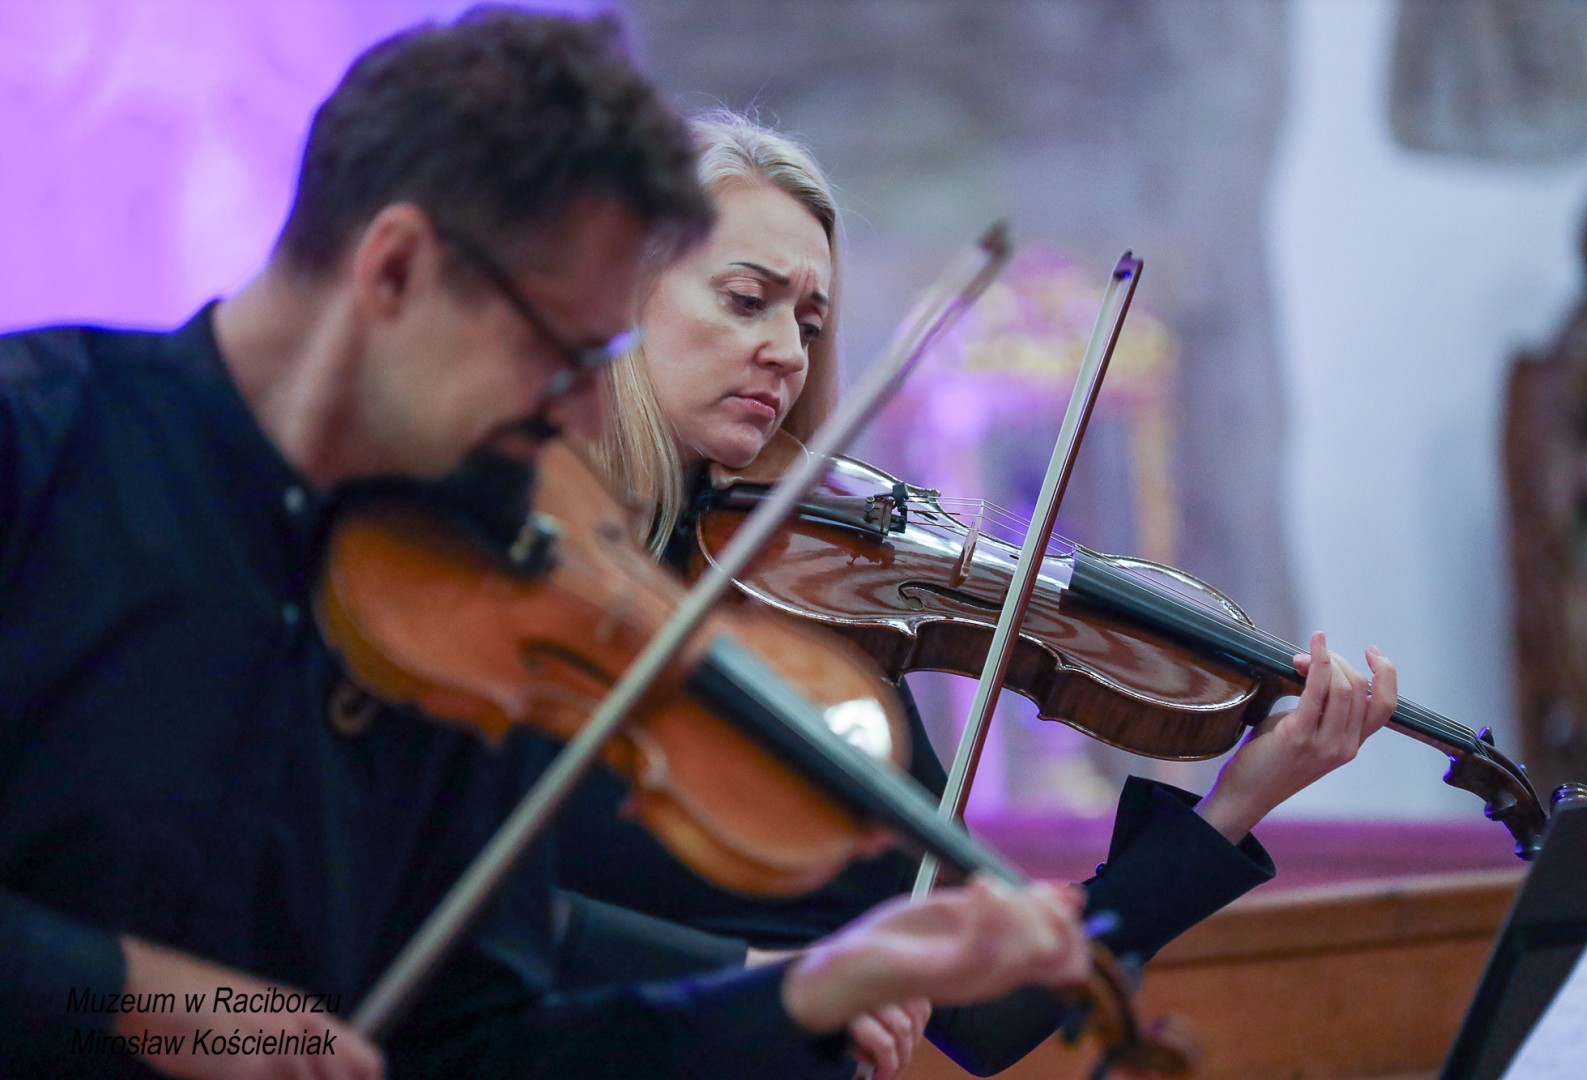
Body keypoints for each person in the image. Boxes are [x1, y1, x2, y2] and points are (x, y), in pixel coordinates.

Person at [0, 12, 1099, 1080]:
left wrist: (799, 997)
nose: (583, 420)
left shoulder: (463, 612)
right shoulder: (34, 446)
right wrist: (123, 992)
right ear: (397, 272)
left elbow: (487, 1041)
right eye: (566, 355)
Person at [561, 110, 1399, 1077]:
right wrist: (757, 976)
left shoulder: (810, 613)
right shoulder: (504, 585)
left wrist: (1233, 809)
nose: (789, 351)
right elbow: (421, 932)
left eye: (810, 322)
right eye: (748, 300)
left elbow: (989, 1012)